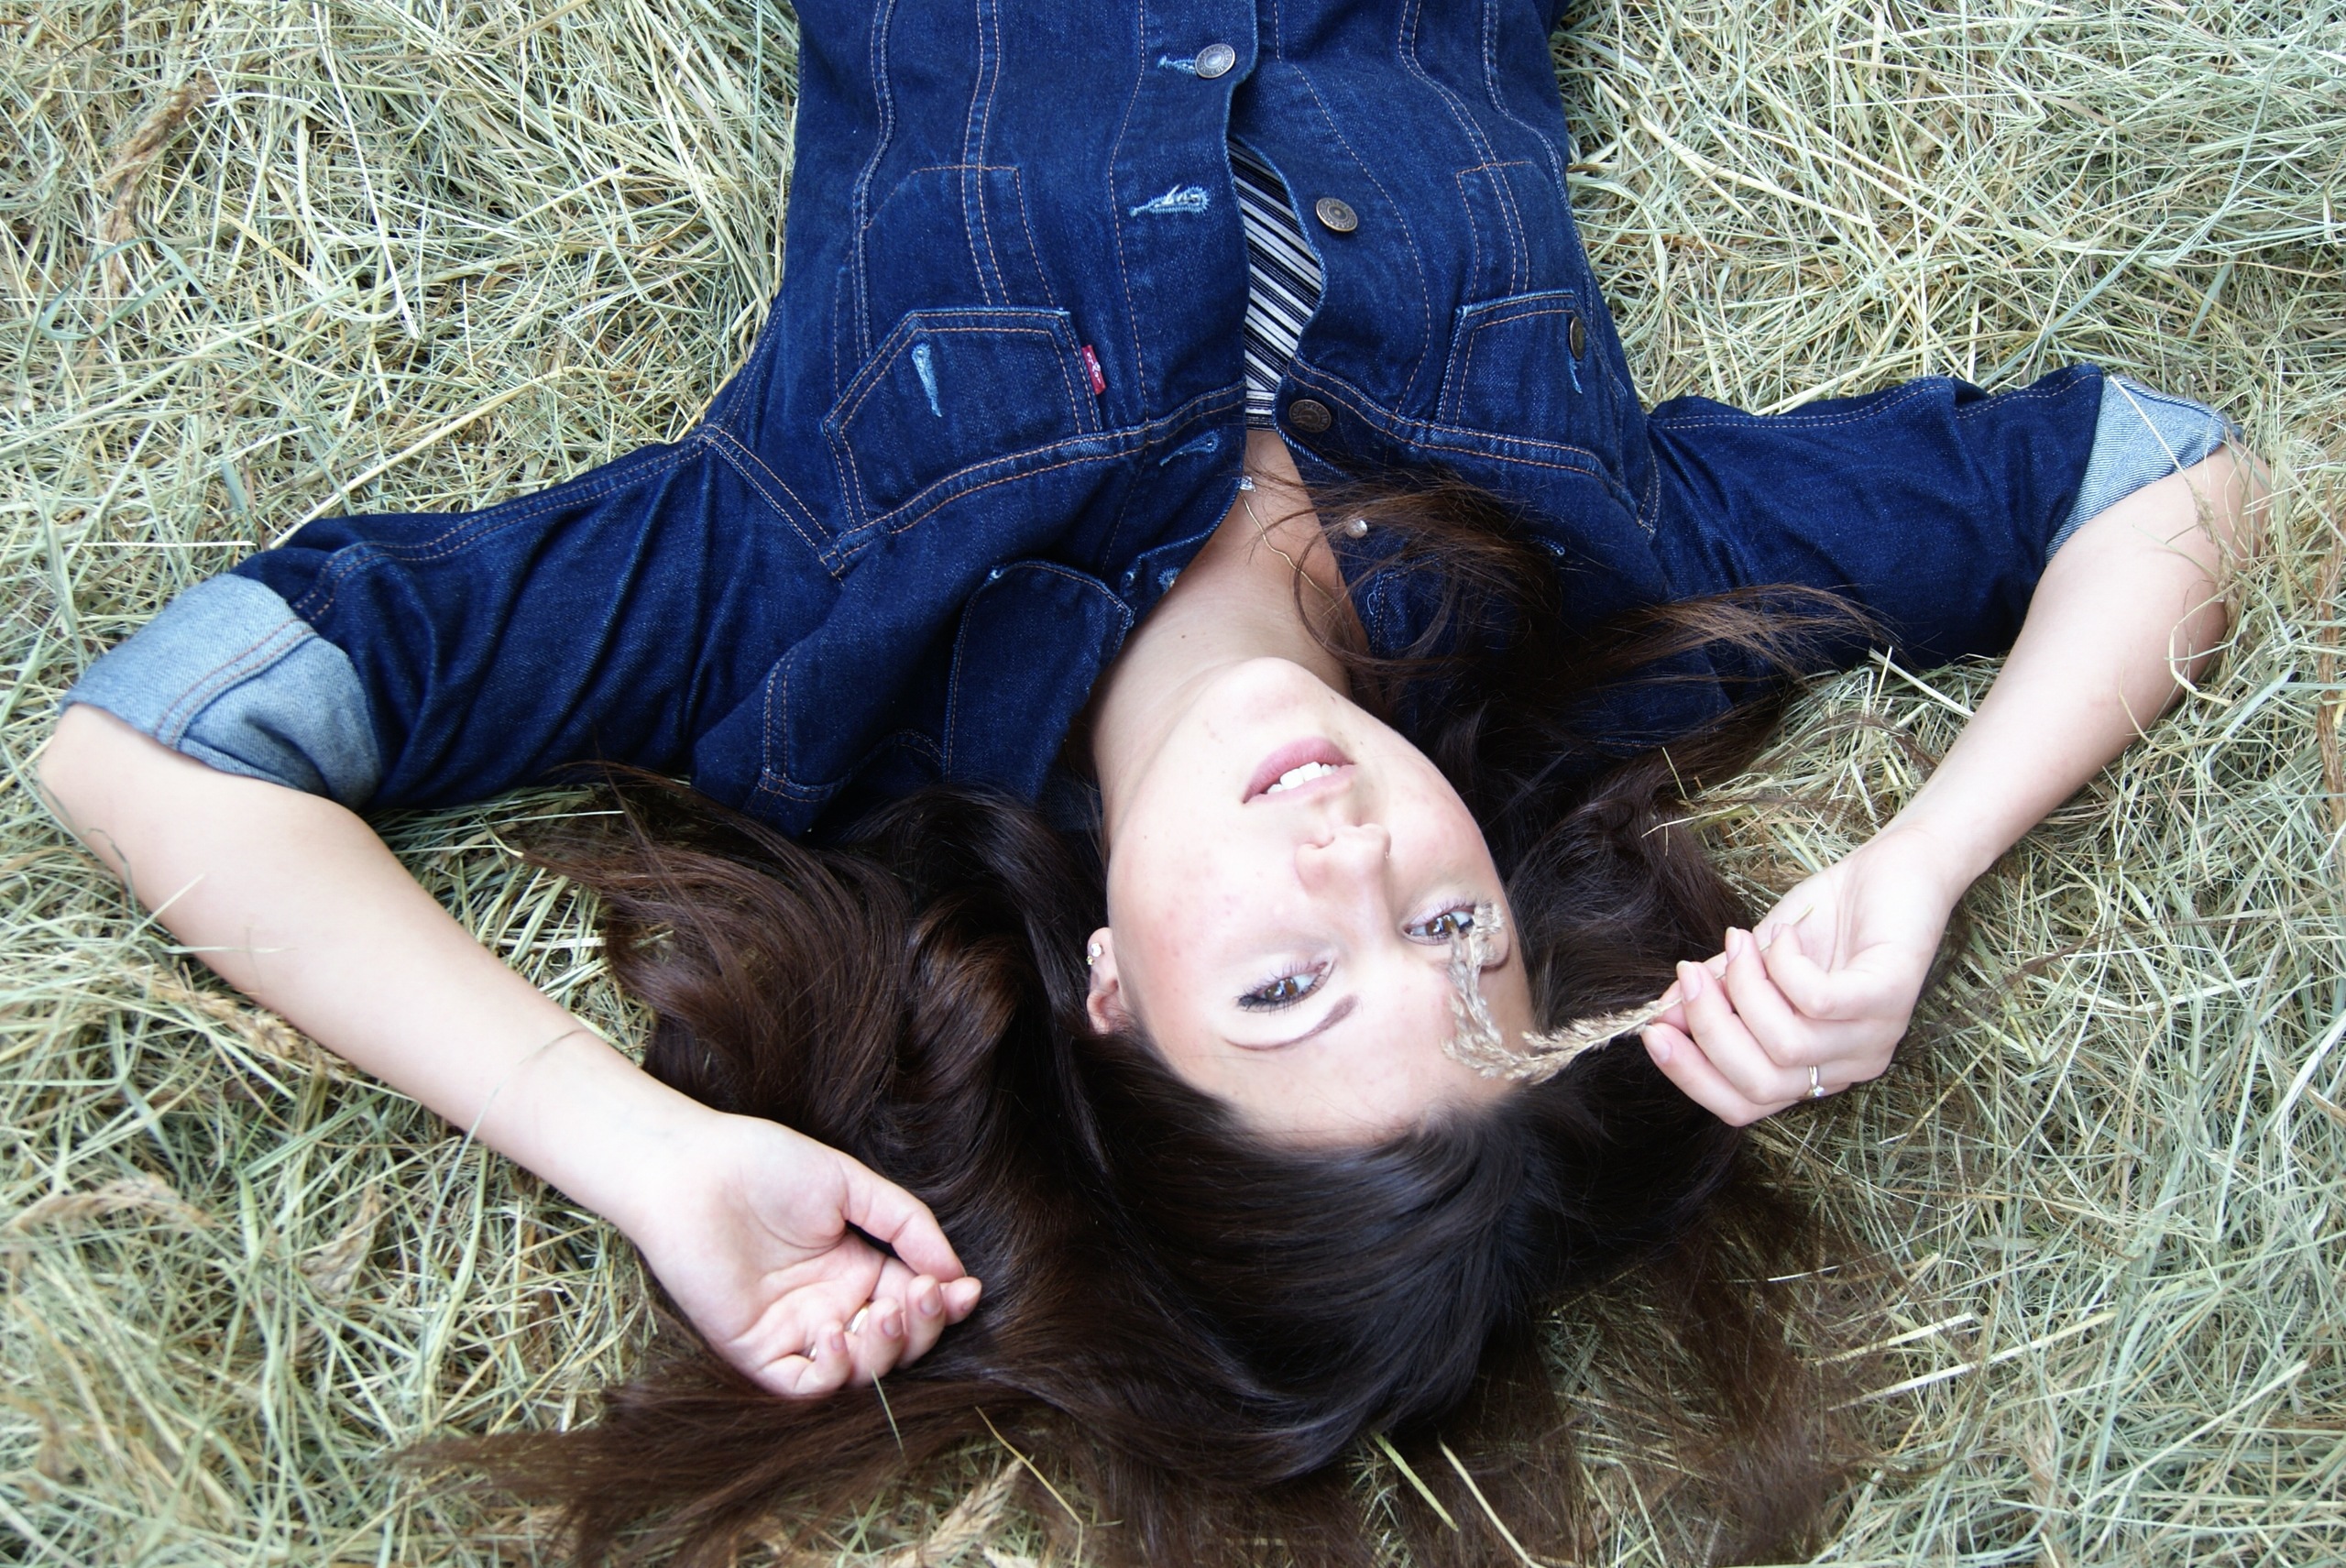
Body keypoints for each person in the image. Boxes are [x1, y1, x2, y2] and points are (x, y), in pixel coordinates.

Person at [34, 1, 2259, 1562]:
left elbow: (163, 741)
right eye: (1449, 934)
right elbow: (2162, 477)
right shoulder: (1600, 586)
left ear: (1105, 997)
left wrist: (640, 1153)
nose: (1351, 853)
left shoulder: (803, 625)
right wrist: (1924, 856)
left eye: (1284, 986)